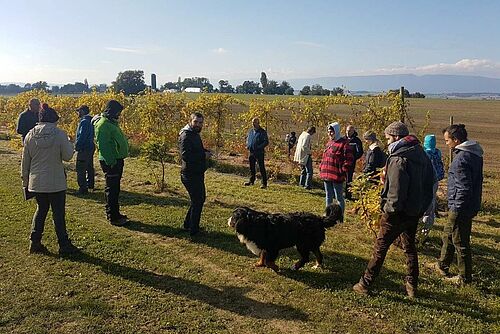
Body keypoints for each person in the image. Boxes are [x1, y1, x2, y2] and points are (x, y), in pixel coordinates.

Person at [353, 121, 434, 298]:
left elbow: (396, 191)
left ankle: (365, 283)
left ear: (396, 137)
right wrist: (422, 207)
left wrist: (388, 210)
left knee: (380, 247)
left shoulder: (398, 158)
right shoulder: (421, 154)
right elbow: (430, 183)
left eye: (388, 138)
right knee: (410, 247)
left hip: (396, 213)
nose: (387, 142)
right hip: (414, 211)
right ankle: (412, 285)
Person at [426, 124, 483, 285]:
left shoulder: (461, 159)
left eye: (447, 140)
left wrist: (456, 207)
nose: (446, 144)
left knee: (460, 240)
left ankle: (464, 277)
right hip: (467, 204)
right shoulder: (473, 154)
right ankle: (442, 265)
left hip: (460, 206)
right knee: (448, 234)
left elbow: (463, 187)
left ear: (456, 140)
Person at [21, 103, 79, 255]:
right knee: (58, 213)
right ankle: (64, 244)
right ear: (54, 120)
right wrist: (70, 143)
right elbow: (67, 156)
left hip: (37, 181)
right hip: (56, 181)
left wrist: (25, 181)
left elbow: (25, 161)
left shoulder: (30, 135)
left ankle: (35, 241)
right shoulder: (59, 134)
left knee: (41, 210)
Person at [94, 100, 129, 226]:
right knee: (112, 189)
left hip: (116, 159)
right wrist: (111, 161)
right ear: (111, 111)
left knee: (115, 188)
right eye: (118, 112)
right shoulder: (103, 125)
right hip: (111, 161)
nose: (119, 114)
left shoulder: (111, 122)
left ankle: (116, 213)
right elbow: (103, 146)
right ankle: (113, 216)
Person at [179, 112, 212, 236]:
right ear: (190, 121)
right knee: (198, 200)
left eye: (200, 122)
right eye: (196, 122)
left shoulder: (194, 134)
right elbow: (186, 155)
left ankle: (189, 225)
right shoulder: (186, 135)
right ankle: (193, 230)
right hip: (189, 174)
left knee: (198, 200)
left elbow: (195, 150)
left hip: (196, 173)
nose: (198, 124)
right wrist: (203, 155)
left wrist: (204, 151)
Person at [319, 122, 354, 212]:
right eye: (329, 132)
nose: (330, 134)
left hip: (337, 175)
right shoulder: (329, 143)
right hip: (326, 174)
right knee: (328, 196)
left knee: (339, 197)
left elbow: (349, 159)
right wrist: (321, 167)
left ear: (336, 131)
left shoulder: (344, 144)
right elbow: (324, 157)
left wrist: (343, 170)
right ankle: (328, 214)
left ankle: (340, 216)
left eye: (332, 132)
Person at [419, 134, 445, 239]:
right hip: (435, 181)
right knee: (431, 203)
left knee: (424, 205)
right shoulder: (437, 152)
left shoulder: (424, 153)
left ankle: (421, 231)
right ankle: (427, 228)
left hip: (425, 181)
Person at [74, 105, 95, 195]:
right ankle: (90, 183)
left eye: (78, 111)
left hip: (84, 148)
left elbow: (82, 136)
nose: (77, 113)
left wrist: (77, 146)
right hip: (90, 146)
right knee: (89, 166)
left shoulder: (84, 122)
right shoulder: (91, 120)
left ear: (82, 111)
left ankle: (83, 188)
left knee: (80, 168)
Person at [245, 117, 269, 189]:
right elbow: (248, 139)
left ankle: (264, 183)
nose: (253, 124)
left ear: (258, 123)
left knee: (261, 167)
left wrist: (259, 147)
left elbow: (266, 142)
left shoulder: (262, 132)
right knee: (251, 167)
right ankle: (251, 181)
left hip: (259, 152)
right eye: (252, 122)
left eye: (254, 122)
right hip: (251, 151)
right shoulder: (251, 131)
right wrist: (248, 145)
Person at [344, 125, 363, 200]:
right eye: (347, 131)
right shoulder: (343, 139)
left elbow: (360, 152)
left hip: (351, 163)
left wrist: (353, 158)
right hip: (342, 162)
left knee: (349, 179)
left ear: (353, 131)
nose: (348, 132)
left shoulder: (356, 141)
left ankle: (348, 195)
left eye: (349, 131)